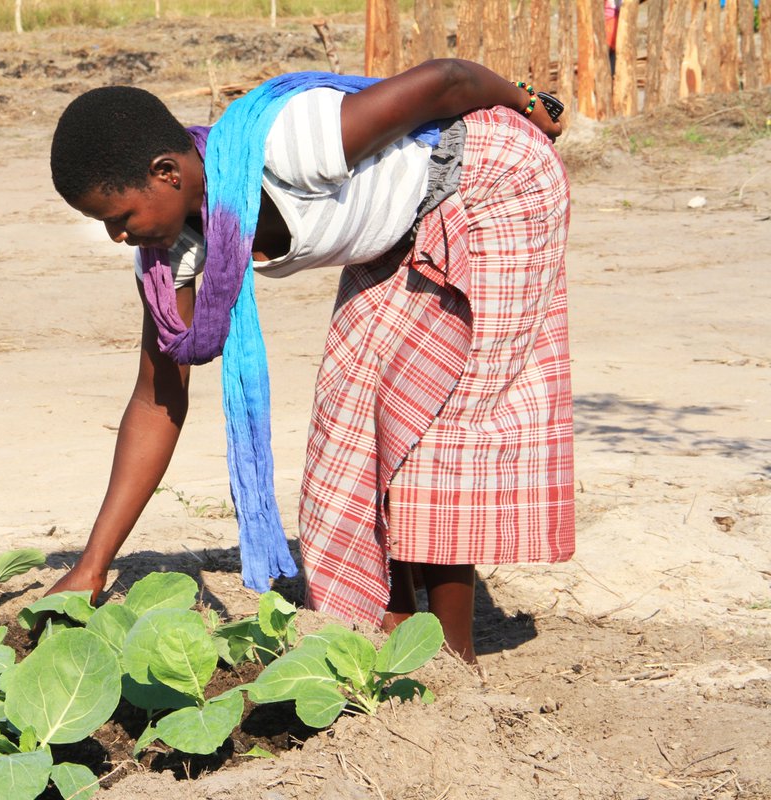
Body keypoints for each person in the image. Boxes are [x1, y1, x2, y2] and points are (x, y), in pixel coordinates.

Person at [46, 59, 572, 664]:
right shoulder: (172, 253)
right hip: (400, 230)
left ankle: (452, 659)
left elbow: (448, 81)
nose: (116, 237)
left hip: (497, 185)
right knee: (352, 427)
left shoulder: (290, 143)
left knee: (431, 430)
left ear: (167, 173)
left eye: (118, 219)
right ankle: (392, 623)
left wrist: (529, 102)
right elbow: (156, 398)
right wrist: (92, 566)